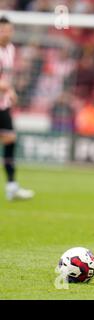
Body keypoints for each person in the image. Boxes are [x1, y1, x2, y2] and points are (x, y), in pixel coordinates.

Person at [0, 16, 34, 201]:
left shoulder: (11, 50)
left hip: (2, 105)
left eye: (9, 30)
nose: (6, 33)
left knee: (10, 140)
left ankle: (12, 186)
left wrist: (10, 90)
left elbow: (6, 78)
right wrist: (6, 88)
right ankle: (12, 186)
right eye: (3, 30)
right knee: (9, 138)